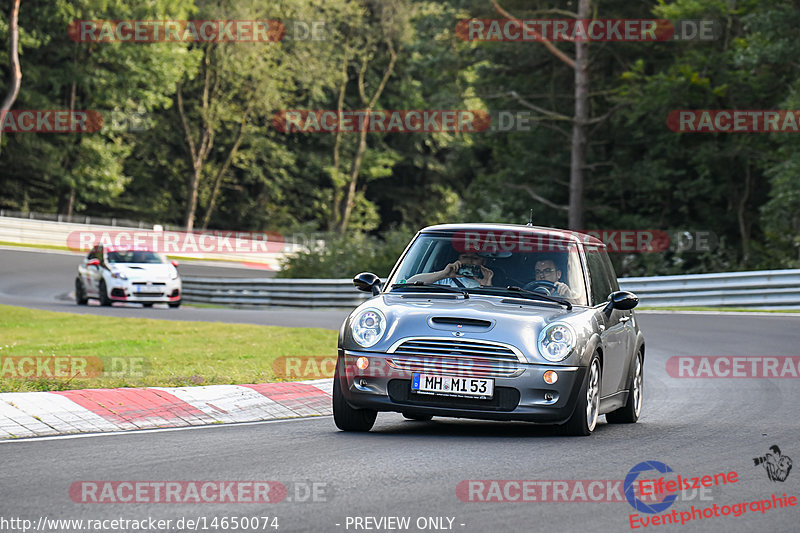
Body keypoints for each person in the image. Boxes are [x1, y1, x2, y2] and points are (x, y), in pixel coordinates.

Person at [406, 252, 493, 288]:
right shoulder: (443, 279)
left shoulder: (488, 280)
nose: (469, 261)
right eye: (465, 257)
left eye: (475, 258)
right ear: (458, 259)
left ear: (483, 262)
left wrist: (486, 287)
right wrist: (444, 274)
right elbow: (409, 284)